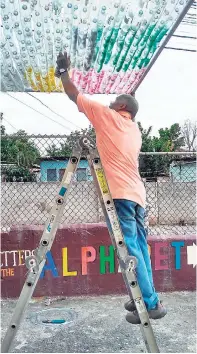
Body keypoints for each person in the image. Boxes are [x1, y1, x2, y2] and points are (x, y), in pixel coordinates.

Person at [55, 52, 167, 324]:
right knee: (139, 248)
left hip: (121, 197)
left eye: (113, 101)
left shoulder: (108, 117)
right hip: (138, 196)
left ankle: (149, 302)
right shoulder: (134, 130)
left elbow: (73, 95)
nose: (109, 101)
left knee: (129, 250)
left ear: (121, 107)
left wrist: (63, 71)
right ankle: (144, 295)